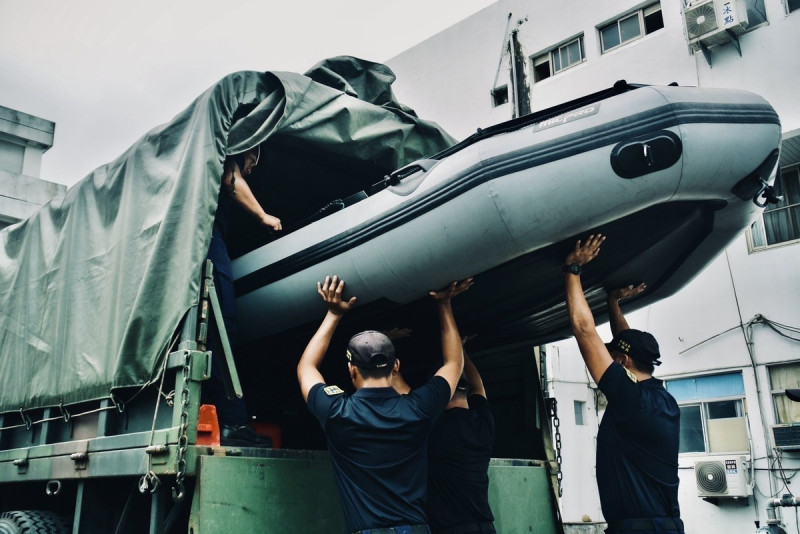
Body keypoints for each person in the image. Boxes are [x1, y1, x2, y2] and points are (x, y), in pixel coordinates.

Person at [297, 275, 472, 534]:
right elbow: (454, 364)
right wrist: (444, 304)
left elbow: (306, 367)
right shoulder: (419, 408)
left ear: (351, 369)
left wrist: (334, 314)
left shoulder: (337, 412)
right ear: (396, 366)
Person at [563, 234, 684, 534]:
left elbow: (583, 330)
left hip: (640, 529)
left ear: (621, 363)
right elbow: (626, 345)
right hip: (662, 525)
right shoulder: (661, 399)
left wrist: (573, 269)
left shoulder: (631, 401)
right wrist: (613, 302)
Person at [202, 145, 282, 447]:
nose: (252, 168)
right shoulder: (225, 156)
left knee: (213, 335)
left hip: (208, 239)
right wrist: (263, 216)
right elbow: (231, 178)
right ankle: (233, 423)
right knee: (223, 330)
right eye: (252, 160)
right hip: (209, 241)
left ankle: (224, 418)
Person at [426, 344, 495, 534]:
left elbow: (399, 387)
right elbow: (478, 385)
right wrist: (461, 348)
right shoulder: (484, 422)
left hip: (452, 528)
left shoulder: (435, 426)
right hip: (486, 527)